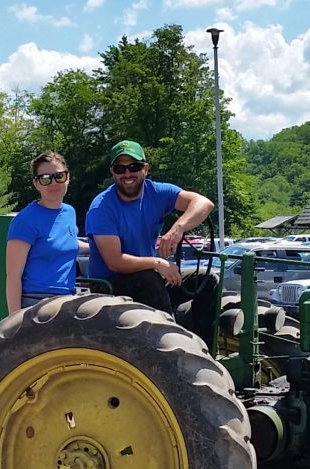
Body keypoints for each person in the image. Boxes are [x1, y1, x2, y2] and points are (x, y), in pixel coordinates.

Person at [86, 140, 217, 346]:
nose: (127, 174)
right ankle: (174, 350)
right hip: (110, 287)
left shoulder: (157, 192)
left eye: (134, 167)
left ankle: (206, 349)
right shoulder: (101, 207)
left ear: (145, 168)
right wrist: (158, 263)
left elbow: (203, 203)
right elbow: (114, 262)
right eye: (120, 168)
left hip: (149, 279)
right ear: (113, 172)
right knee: (149, 278)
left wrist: (178, 228)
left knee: (207, 279)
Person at [5, 151, 79, 314]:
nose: (53, 183)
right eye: (45, 178)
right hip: (35, 303)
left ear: (68, 177)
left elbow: (65, 242)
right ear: (36, 184)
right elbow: (13, 276)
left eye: (59, 176)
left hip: (67, 301)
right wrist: (15, 321)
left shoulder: (69, 213)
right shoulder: (25, 220)